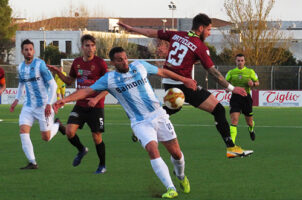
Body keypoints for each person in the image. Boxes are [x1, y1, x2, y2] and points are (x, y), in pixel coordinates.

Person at [54, 47, 196, 198]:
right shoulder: (109, 79)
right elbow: (87, 91)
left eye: (125, 58)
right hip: (139, 122)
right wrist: (64, 100)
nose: (125, 62)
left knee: (176, 154)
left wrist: (184, 79)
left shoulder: (140, 66)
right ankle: (170, 188)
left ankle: (180, 176)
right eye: (120, 60)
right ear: (114, 62)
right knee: (152, 150)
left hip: (159, 115)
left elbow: (163, 72)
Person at [118, 13, 252, 158]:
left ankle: (144, 122)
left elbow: (151, 32)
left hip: (169, 81)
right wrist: (232, 88)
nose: (209, 33)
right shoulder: (199, 46)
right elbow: (213, 72)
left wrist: (132, 29)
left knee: (174, 107)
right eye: (208, 30)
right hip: (182, 83)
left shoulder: (177, 34)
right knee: (218, 109)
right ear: (200, 28)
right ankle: (231, 148)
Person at [48, 34, 108, 174]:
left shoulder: (100, 63)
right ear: (82, 47)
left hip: (96, 106)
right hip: (80, 104)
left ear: (95, 47)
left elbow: (109, 85)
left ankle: (102, 165)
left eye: (92, 45)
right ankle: (81, 150)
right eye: (87, 45)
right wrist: (58, 72)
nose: (90, 48)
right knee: (69, 131)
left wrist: (96, 98)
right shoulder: (77, 62)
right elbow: (69, 81)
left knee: (96, 137)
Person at [9, 39, 60, 170]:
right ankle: (32, 162)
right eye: (26, 49)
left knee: (46, 138)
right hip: (28, 106)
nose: (28, 52)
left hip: (43, 106)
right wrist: (16, 99)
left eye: (31, 49)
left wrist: (49, 103)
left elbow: (53, 85)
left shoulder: (40, 65)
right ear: (22, 51)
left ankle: (58, 125)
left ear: (34, 51)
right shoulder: (20, 67)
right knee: (23, 131)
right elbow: (21, 84)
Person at [225, 54, 259, 144]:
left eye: (242, 60)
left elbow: (257, 82)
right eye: (238, 60)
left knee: (249, 122)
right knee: (234, 120)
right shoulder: (231, 72)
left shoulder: (250, 71)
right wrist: (227, 88)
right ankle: (232, 145)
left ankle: (251, 129)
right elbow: (226, 83)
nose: (240, 62)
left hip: (246, 98)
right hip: (235, 98)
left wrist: (253, 84)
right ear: (235, 61)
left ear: (244, 61)